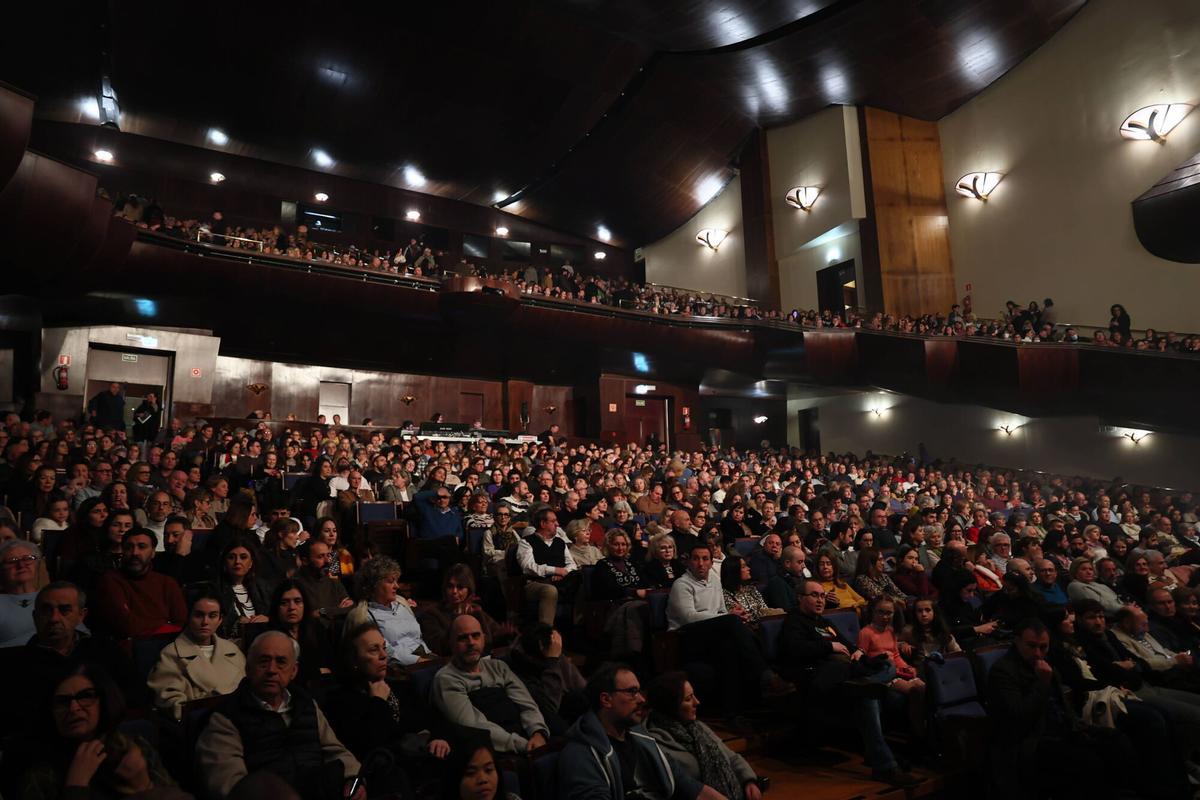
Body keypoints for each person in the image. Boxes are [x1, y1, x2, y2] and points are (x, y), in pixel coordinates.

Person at [196, 630, 363, 800]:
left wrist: (353, 779)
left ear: (294, 671)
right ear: (247, 667)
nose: (271, 670)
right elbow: (229, 784)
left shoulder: (305, 704)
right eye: (263, 661)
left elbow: (336, 751)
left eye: (281, 662)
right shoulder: (226, 716)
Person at [986, 618, 1132, 799]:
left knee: (1116, 741)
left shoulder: (1047, 666)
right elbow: (1019, 716)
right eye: (1031, 646)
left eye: (1043, 647)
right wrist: (1041, 683)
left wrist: (1078, 727)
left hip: (1063, 728)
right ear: (1016, 641)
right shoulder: (1003, 671)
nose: (1038, 653)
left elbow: (1062, 704)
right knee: (1088, 762)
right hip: (1032, 739)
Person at [558, 662, 725, 800]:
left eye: (639, 691)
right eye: (632, 692)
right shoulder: (581, 754)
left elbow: (689, 786)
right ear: (606, 700)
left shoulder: (642, 739)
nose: (642, 699)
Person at [667, 543, 793, 723]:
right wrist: (727, 617)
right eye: (696, 559)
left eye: (705, 559)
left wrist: (726, 617)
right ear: (688, 562)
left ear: (712, 562)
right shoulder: (682, 585)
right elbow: (688, 617)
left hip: (711, 635)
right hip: (686, 636)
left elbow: (719, 610)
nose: (701, 563)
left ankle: (733, 713)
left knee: (730, 649)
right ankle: (766, 675)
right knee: (732, 621)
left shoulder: (714, 580)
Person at [18, 663, 177, 800]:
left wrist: (143, 785)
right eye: (62, 701)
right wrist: (76, 786)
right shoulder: (42, 773)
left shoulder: (132, 747)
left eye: (85, 696)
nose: (74, 708)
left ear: (104, 701)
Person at [323, 624, 451, 790]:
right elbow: (369, 746)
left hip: (423, 757)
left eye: (383, 648)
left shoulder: (400, 686)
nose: (384, 655)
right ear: (354, 660)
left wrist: (438, 738)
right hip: (388, 773)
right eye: (373, 650)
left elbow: (434, 718)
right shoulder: (341, 699)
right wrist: (378, 702)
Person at [430, 615, 549, 755]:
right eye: (463, 638)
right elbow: (474, 725)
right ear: (451, 643)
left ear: (484, 638)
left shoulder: (498, 667)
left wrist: (538, 733)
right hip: (496, 751)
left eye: (476, 636)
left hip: (531, 740)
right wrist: (525, 746)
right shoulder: (446, 678)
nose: (471, 642)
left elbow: (526, 704)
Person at [644, 671, 762, 800]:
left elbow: (731, 757)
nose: (697, 702)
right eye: (688, 699)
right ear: (671, 706)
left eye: (694, 695)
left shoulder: (698, 728)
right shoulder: (657, 743)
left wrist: (749, 781)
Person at [147, 586, 246, 720]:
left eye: (212, 616)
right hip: (198, 725)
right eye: (199, 615)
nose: (205, 622)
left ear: (220, 620)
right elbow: (170, 701)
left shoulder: (233, 651)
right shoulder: (171, 654)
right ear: (189, 617)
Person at [92, 528, 187, 638]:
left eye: (142, 547)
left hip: (167, 647)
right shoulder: (110, 580)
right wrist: (165, 624)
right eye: (129, 547)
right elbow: (127, 625)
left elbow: (181, 624)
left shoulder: (167, 583)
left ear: (153, 552)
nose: (135, 553)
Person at [505, 624, 587, 736]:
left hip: (567, 717)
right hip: (547, 725)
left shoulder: (556, 658)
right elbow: (549, 709)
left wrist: (556, 658)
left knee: (580, 699)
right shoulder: (519, 668)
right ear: (541, 647)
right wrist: (552, 661)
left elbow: (585, 689)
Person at [351, 555, 432, 665]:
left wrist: (431, 657)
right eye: (390, 581)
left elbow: (418, 638)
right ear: (374, 585)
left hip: (425, 655)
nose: (397, 586)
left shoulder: (402, 604)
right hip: (401, 666)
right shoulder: (365, 615)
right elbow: (386, 652)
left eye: (396, 581)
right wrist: (419, 661)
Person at [418, 563, 506, 656]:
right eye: (450, 586)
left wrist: (503, 635)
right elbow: (440, 647)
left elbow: (490, 638)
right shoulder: (431, 613)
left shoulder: (474, 609)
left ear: (469, 590)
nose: (454, 591)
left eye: (460, 587)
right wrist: (458, 620)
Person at [591, 528, 651, 656]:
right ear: (609, 546)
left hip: (638, 601)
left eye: (623, 544)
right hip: (614, 605)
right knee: (634, 608)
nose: (620, 548)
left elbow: (645, 582)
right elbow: (609, 589)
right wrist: (633, 592)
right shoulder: (602, 565)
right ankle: (633, 652)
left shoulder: (632, 563)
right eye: (616, 544)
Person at [515, 507, 579, 626]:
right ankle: (545, 632)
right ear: (543, 523)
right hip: (536, 583)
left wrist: (563, 573)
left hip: (562, 580)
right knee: (550, 590)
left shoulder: (560, 542)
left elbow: (572, 564)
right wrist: (554, 570)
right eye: (553, 521)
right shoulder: (527, 542)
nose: (557, 524)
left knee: (582, 581)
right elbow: (528, 567)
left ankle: (579, 628)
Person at [268, 579, 335, 683]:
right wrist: (316, 672)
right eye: (284, 602)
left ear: (305, 604)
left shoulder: (316, 628)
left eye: (297, 601)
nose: (292, 607)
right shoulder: (270, 636)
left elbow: (330, 664)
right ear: (277, 607)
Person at [216, 536, 271, 640]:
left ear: (251, 563)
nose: (237, 561)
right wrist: (237, 622)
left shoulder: (262, 587)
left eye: (243, 557)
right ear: (224, 562)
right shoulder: (215, 589)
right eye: (231, 557)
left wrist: (268, 619)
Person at [0, 538, 41, 647]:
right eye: (12, 560)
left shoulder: (55, 597)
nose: (21, 565)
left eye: (28, 559)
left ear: (37, 565)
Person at [296, 540, 352, 616]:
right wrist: (337, 610)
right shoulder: (296, 586)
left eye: (328, 555)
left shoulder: (334, 583)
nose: (327, 561)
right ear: (305, 561)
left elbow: (350, 607)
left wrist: (323, 611)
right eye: (320, 557)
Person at [899, 597, 961, 666]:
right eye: (919, 611)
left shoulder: (943, 631)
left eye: (927, 610)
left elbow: (958, 653)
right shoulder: (909, 631)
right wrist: (902, 644)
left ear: (934, 612)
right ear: (915, 614)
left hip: (941, 667)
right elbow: (894, 645)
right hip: (920, 668)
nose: (924, 614)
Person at [814, 547, 867, 612]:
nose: (825, 567)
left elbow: (861, 600)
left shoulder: (842, 584)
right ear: (817, 567)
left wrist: (855, 606)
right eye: (821, 564)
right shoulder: (816, 587)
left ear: (834, 567)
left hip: (856, 612)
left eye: (828, 564)